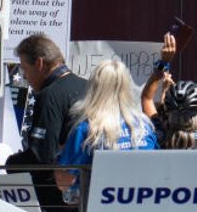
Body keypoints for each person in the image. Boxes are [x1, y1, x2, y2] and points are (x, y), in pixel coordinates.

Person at [6, 34, 89, 212]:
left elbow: (41, 154)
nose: (24, 76)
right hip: (88, 204)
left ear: (40, 64)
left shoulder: (50, 94)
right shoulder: (90, 88)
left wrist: (10, 164)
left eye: (25, 68)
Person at [54, 59, 158, 203]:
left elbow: (64, 182)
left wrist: (58, 161)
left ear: (94, 88)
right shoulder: (145, 126)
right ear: (126, 87)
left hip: (101, 211)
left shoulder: (87, 130)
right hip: (142, 206)